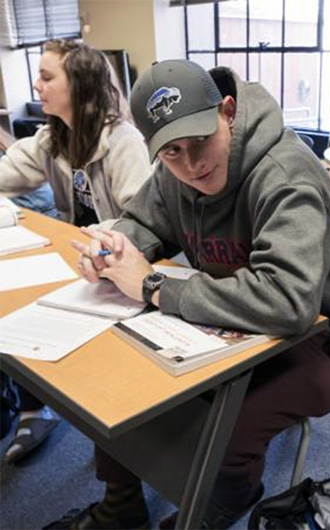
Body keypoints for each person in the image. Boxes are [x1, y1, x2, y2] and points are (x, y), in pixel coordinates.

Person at [45, 59, 330, 529]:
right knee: (124, 368)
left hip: (323, 339)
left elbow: (288, 302)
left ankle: (215, 510)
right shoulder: (174, 169)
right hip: (232, 325)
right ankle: (121, 503)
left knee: (229, 423)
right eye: (172, 153)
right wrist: (116, 251)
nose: (193, 163)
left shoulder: (287, 176)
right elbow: (143, 220)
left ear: (227, 111)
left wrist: (153, 285)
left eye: (201, 141)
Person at [0, 39, 151, 464]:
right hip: (76, 259)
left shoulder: (124, 142)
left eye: (48, 77)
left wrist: (93, 240)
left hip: (116, 267)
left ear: (80, 85)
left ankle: (115, 440)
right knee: (11, 307)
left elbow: (142, 222)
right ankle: (34, 405)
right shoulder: (53, 138)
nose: (37, 84)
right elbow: (7, 174)